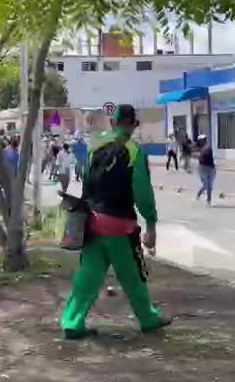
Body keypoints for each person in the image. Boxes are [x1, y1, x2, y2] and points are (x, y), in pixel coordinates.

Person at [60, 104, 170, 339]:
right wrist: (150, 223)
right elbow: (141, 192)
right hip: (119, 225)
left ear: (112, 123)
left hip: (92, 222)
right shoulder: (135, 151)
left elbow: (86, 182)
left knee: (87, 276)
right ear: (133, 125)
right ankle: (148, 319)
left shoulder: (94, 148)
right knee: (132, 276)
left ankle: (72, 321)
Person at [195, 134, 216, 206]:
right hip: (202, 168)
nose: (204, 141)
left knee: (209, 185)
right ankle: (199, 194)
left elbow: (206, 152)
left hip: (211, 168)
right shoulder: (199, 147)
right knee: (206, 185)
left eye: (205, 139)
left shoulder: (207, 147)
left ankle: (208, 201)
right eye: (202, 140)